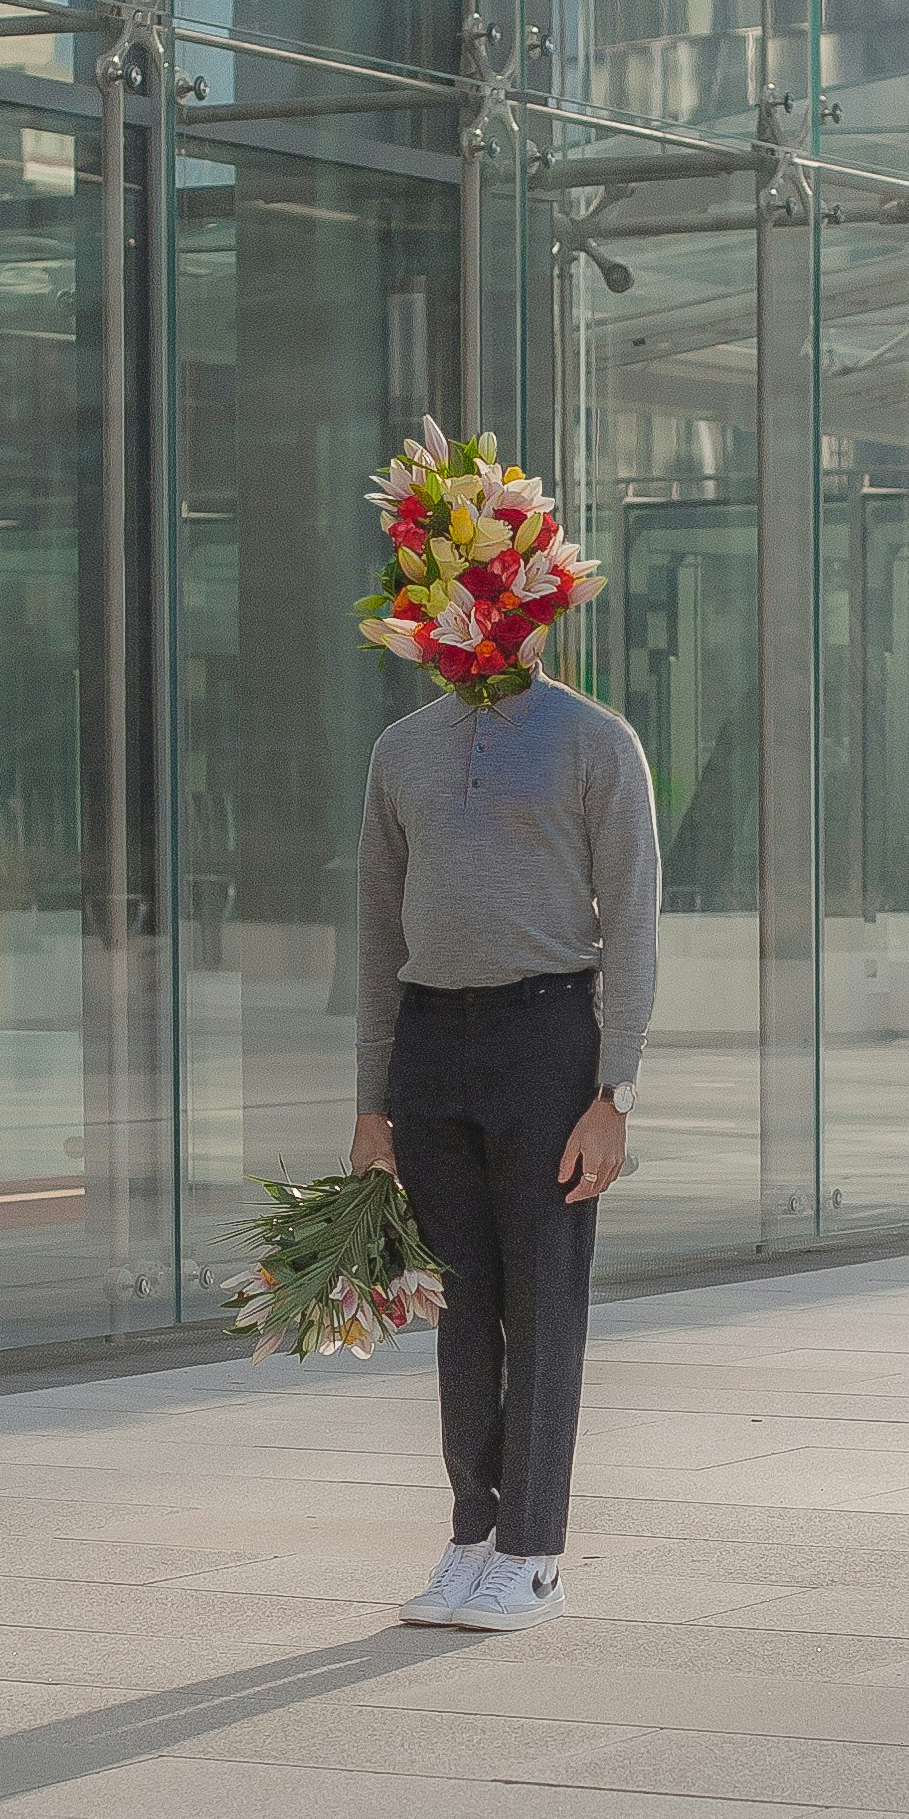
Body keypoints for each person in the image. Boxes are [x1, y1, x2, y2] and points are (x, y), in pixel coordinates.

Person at [351, 658, 660, 1630]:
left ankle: (533, 1554)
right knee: (460, 1302)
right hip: (432, 1044)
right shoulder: (400, 749)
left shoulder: (595, 740)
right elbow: (372, 933)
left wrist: (615, 1091)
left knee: (542, 1300)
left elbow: (635, 924)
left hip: (549, 1037)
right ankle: (473, 1535)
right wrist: (371, 1102)